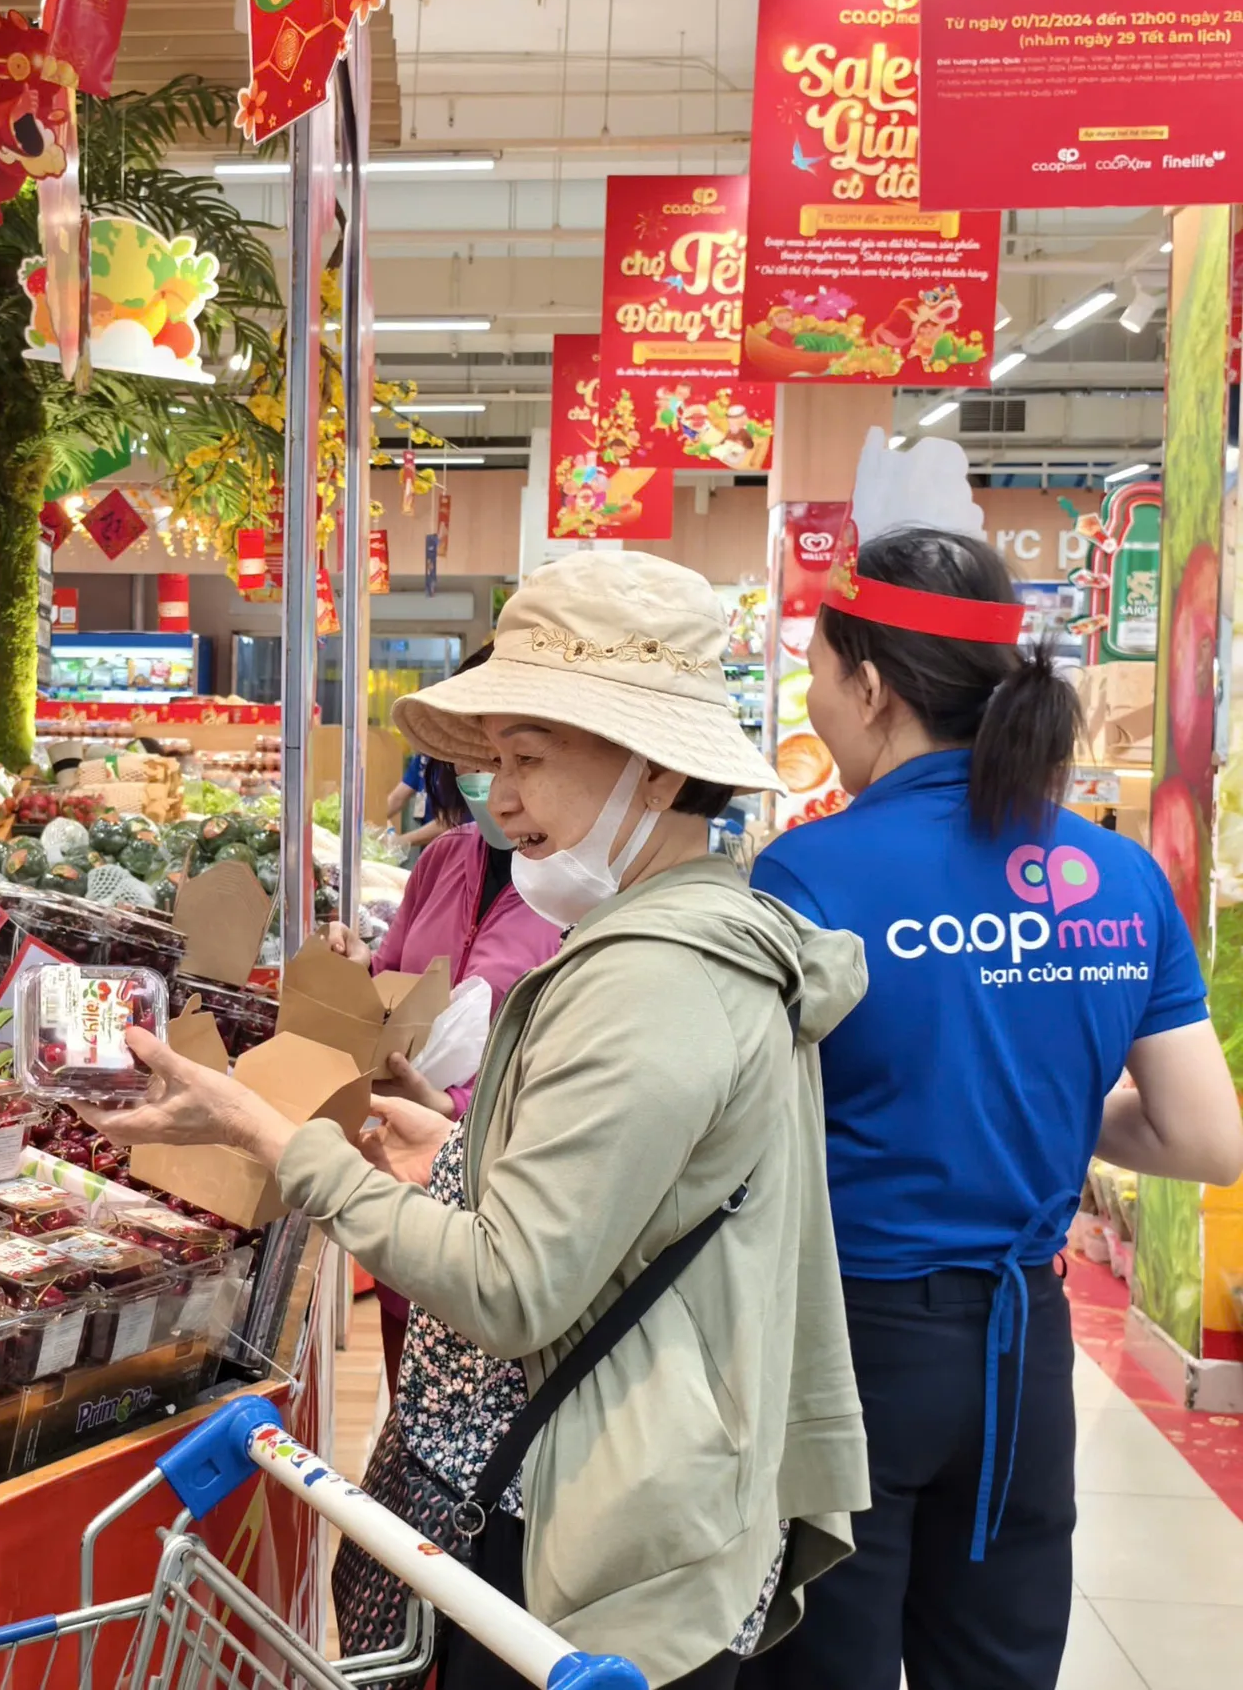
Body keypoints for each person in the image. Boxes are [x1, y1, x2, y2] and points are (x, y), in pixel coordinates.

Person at [83, 553, 872, 1690]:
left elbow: (512, 1289)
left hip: (583, 1543)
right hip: (612, 1492)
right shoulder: (682, 937)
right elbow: (626, 1210)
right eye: (493, 760)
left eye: (527, 760)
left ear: (650, 774)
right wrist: (454, 1157)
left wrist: (271, 1135)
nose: (496, 801)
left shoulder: (650, 977)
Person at [738, 529, 1243, 1690]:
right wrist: (1051, 1109)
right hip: (1024, 1355)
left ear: (868, 685)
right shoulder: (1114, 878)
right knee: (997, 1668)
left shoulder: (807, 877)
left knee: (819, 1664)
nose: (814, 698)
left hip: (843, 1348)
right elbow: (1203, 1137)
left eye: (816, 671)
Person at [325, 650, 564, 1394]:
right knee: (412, 1418)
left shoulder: (582, 897)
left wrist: (456, 1109)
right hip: (410, 1197)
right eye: (477, 755)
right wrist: (351, 971)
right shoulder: (445, 858)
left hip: (509, 1213)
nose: (492, 779)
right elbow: (390, 979)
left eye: (514, 755)